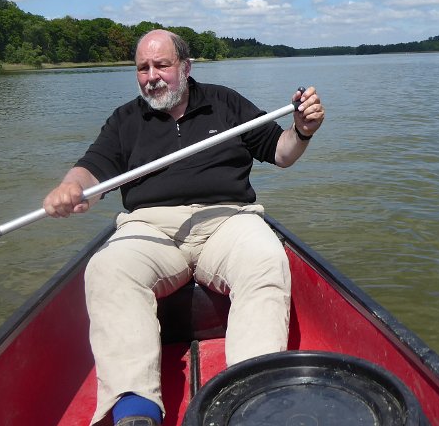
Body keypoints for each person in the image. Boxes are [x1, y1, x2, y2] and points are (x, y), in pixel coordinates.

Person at [43, 29, 325, 426]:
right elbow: (93, 169)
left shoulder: (225, 102)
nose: (152, 75)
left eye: (162, 64)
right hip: (150, 227)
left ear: (186, 67)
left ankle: (250, 400)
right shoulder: (126, 118)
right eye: (142, 68)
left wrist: (302, 130)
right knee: (107, 269)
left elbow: (280, 152)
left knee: (264, 258)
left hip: (227, 220)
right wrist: (72, 187)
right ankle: (135, 410)